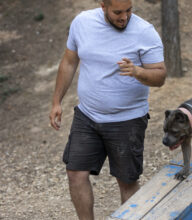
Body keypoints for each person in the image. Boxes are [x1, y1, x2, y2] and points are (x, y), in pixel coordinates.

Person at [49, 0, 166, 219]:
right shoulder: (82, 23)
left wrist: (137, 72)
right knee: (75, 174)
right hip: (87, 115)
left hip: (127, 120)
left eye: (129, 10)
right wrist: (56, 101)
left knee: (127, 181)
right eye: (118, 12)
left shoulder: (144, 32)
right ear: (103, 6)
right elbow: (69, 62)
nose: (125, 17)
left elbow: (160, 76)